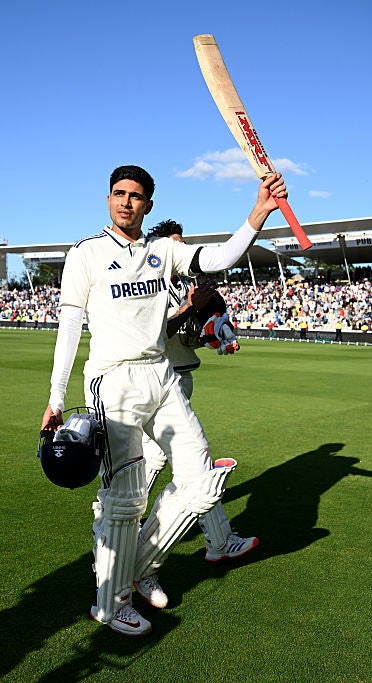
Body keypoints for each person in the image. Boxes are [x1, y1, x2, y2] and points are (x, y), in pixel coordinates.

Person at [41, 165, 288, 637]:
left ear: (148, 204)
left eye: (135, 196)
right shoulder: (86, 253)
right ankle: (110, 603)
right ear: (108, 198)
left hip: (163, 375)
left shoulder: (162, 250)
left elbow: (218, 258)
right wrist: (55, 397)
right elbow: (70, 326)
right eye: (119, 194)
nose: (126, 202)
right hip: (113, 382)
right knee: (124, 500)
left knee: (202, 482)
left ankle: (135, 570)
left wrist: (258, 212)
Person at [138, 220, 258, 581]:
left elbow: (191, 336)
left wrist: (217, 336)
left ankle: (125, 520)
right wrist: (191, 308)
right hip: (160, 382)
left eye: (183, 244)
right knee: (196, 465)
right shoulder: (150, 285)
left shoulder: (182, 286)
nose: (182, 251)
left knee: (151, 460)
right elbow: (154, 335)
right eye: (175, 244)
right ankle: (219, 543)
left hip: (178, 378)